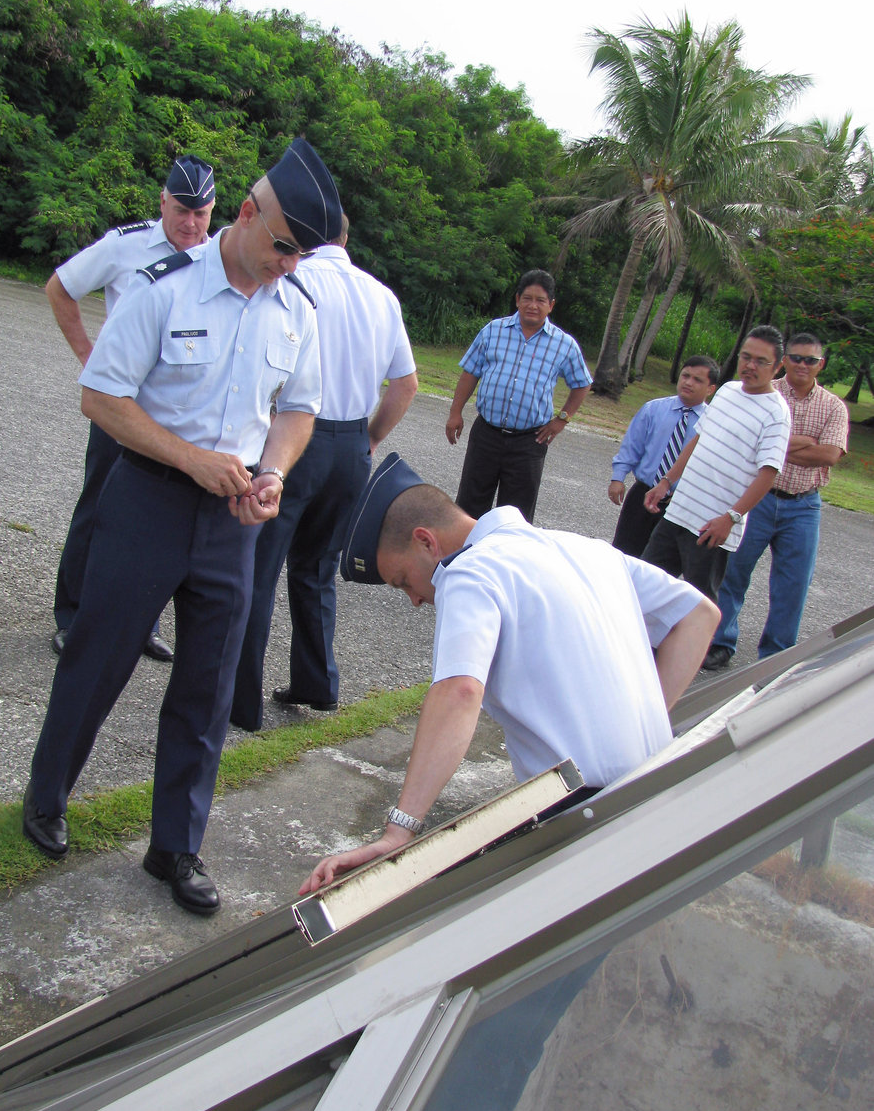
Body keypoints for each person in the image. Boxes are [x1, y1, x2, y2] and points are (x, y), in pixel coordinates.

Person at [23, 138, 343, 916]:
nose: (287, 265)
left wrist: (272, 470)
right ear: (245, 214)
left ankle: (176, 844)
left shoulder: (297, 309)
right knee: (100, 656)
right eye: (281, 247)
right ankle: (47, 796)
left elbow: (298, 409)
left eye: (301, 255)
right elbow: (102, 396)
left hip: (234, 520)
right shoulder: (166, 287)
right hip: (150, 501)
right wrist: (194, 460)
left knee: (207, 683)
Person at [300, 452, 719, 892]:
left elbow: (459, 692)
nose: (415, 600)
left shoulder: (469, 572)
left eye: (403, 581)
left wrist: (398, 831)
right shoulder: (585, 548)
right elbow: (698, 615)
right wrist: (645, 717)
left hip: (586, 816)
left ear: (426, 542)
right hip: (657, 787)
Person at [229, 214, 418, 730]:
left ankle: (238, 699)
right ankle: (317, 684)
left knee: (259, 569)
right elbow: (405, 384)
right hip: (351, 442)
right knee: (316, 570)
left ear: (307, 236)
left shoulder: (291, 279)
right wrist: (370, 438)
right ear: (348, 237)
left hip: (295, 438)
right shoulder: (381, 295)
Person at [47, 154, 217, 662]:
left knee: (159, 523)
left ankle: (140, 622)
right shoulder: (128, 246)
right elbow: (61, 287)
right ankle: (73, 617)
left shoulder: (218, 258)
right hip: (120, 410)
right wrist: (88, 356)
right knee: (98, 509)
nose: (190, 223)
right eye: (181, 210)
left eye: (201, 213)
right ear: (162, 201)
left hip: (178, 416)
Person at [703, 333, 849, 670]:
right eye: (796, 358)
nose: (802, 364)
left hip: (803, 505)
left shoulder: (833, 406)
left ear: (820, 365)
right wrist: (803, 442)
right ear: (784, 361)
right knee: (733, 572)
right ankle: (720, 642)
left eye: (810, 360)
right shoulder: (765, 394)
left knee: (792, 583)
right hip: (758, 497)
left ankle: (776, 656)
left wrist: (775, 444)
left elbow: (828, 454)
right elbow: (748, 443)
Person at [641, 326, 791, 601]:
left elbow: (768, 474)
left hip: (711, 526)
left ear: (779, 366)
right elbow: (698, 440)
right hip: (679, 511)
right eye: (746, 357)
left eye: (761, 361)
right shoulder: (727, 391)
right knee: (646, 586)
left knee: (698, 604)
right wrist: (666, 482)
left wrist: (731, 518)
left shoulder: (776, 414)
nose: (750, 365)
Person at [446, 269, 591, 523]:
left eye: (540, 300)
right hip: (486, 435)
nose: (533, 305)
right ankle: (462, 559)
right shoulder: (493, 330)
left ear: (551, 305)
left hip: (529, 443)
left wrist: (561, 419)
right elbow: (470, 372)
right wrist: (455, 412)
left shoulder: (564, 345)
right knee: (469, 507)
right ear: (517, 300)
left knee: (515, 518)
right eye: (527, 298)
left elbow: (582, 384)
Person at [609, 356, 719, 556]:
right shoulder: (654, 409)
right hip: (643, 493)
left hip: (679, 503)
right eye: (685, 375)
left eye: (697, 380)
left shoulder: (714, 423)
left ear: (710, 389)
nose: (688, 382)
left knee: (660, 563)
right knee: (623, 555)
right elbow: (632, 445)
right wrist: (618, 477)